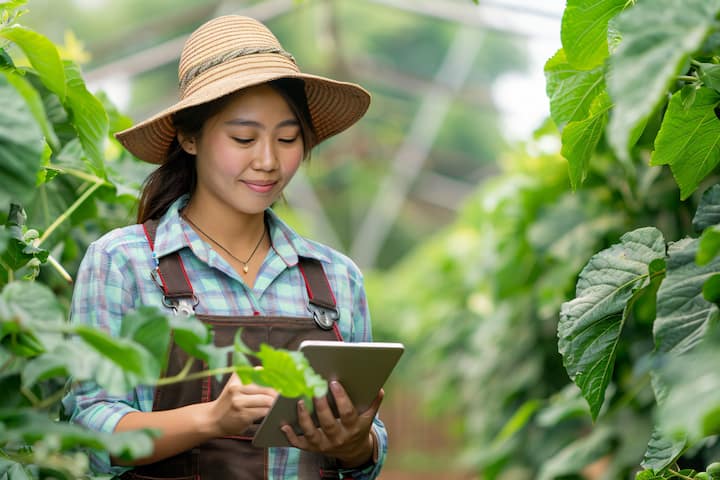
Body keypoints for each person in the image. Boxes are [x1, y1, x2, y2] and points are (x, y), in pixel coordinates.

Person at [62, 14, 386, 480]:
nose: (269, 161)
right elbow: (89, 434)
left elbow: (368, 448)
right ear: (189, 138)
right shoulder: (125, 262)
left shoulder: (335, 278)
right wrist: (210, 418)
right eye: (243, 138)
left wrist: (358, 445)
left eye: (288, 138)